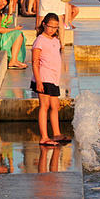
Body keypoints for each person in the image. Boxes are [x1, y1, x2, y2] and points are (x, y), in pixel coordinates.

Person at [31, 13, 69, 146]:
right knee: (45, 106)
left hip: (54, 78)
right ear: (44, 24)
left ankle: (57, 134)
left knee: (55, 106)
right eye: (50, 26)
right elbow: (35, 62)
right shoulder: (40, 40)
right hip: (43, 76)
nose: (53, 29)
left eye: (55, 27)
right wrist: (38, 81)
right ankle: (44, 136)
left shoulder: (56, 40)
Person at [0, 0, 27, 69]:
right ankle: (13, 60)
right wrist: (14, 29)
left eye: (4, 4)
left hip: (2, 35)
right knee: (17, 33)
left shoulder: (3, 13)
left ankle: (14, 60)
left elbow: (8, 21)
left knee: (19, 34)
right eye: (1, 3)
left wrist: (10, 8)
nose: (2, 5)